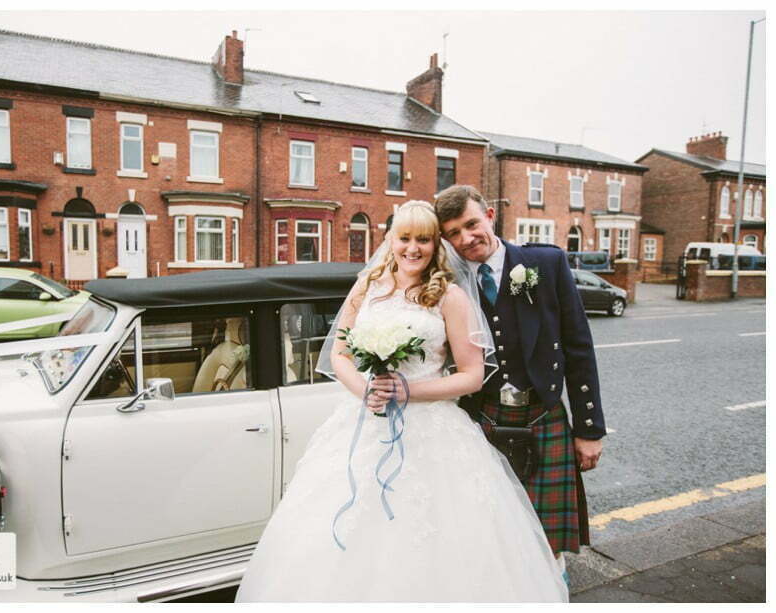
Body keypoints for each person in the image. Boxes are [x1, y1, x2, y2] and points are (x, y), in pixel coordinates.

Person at [235, 201, 567, 602]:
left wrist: (409, 391)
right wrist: (365, 391)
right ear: (389, 240)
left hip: (434, 431)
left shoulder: (450, 296)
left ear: (435, 245)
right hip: (366, 424)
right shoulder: (367, 288)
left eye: (424, 239)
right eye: (404, 238)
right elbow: (340, 355)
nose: (413, 248)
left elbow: (472, 375)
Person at [433, 184, 606, 574]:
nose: (466, 238)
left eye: (472, 224)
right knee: (492, 533)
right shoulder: (446, 283)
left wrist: (590, 429)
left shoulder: (546, 264)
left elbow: (579, 348)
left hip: (543, 414)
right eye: (453, 233)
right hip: (482, 420)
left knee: (548, 542)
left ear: (490, 216)